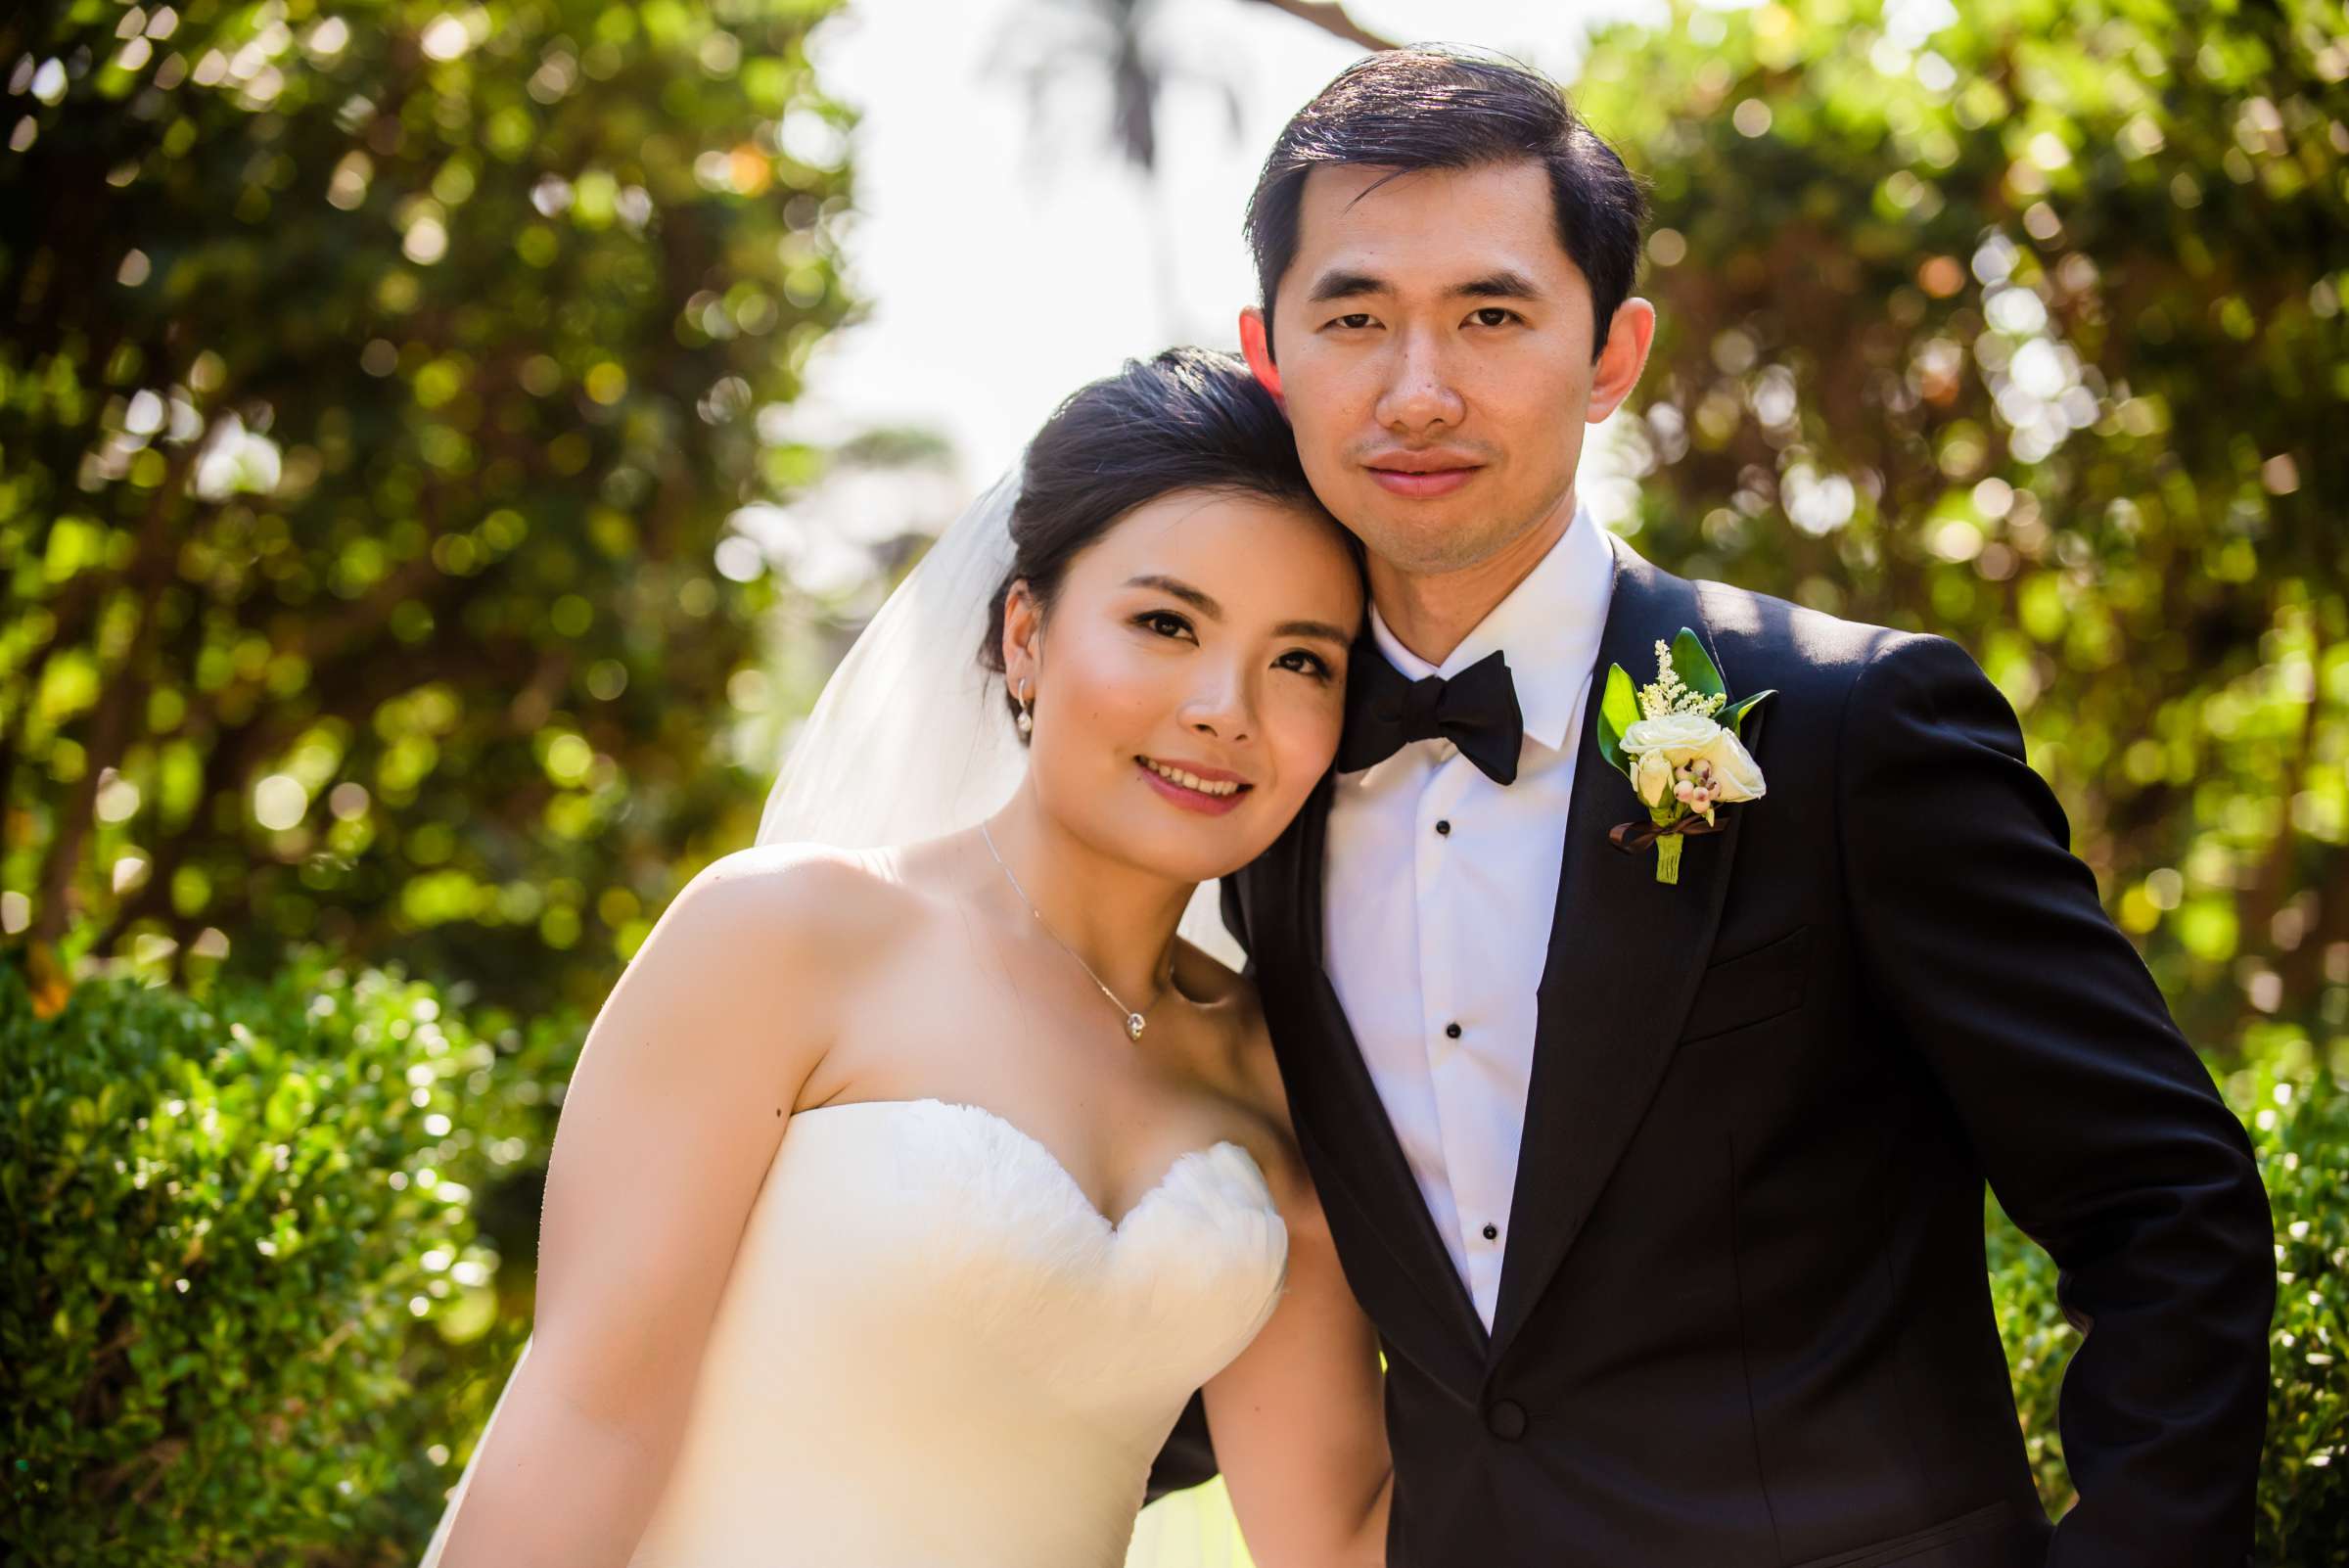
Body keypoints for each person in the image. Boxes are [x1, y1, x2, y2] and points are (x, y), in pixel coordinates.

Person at [1146, 47, 2277, 1568]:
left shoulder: (1851, 726)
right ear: (1269, 351)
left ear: (1612, 354)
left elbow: (2167, 1206)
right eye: (1355, 318)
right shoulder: (1255, 781)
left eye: (1491, 315)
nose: (1419, 389)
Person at [418, 347, 1394, 1568]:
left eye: (1301, 659)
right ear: (1025, 635)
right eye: (1163, 622)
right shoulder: (787, 940)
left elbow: (1340, 1537)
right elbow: (587, 1419)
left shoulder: (1281, 1073)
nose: (1225, 706)